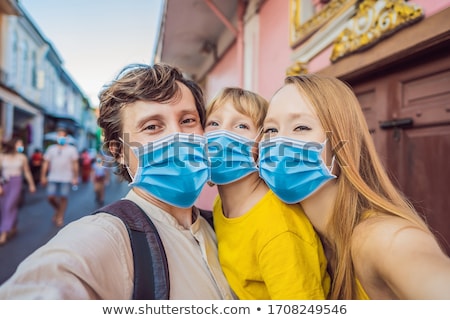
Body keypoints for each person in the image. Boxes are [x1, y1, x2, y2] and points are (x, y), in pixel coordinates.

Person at [0, 63, 234, 300]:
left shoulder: (221, 226)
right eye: (152, 126)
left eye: (187, 120)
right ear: (118, 151)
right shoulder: (109, 237)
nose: (178, 135)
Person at [260, 73, 450, 299]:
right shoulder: (293, 236)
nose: (279, 142)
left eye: (301, 127)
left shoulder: (386, 239)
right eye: (270, 130)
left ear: (342, 143)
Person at [205, 87, 330, 299]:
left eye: (241, 125)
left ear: (262, 143)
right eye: (214, 123)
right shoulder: (221, 204)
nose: (221, 133)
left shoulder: (278, 228)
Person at [40, 127, 79, 227]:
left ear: (67, 138)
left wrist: (75, 177)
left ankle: (60, 216)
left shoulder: (72, 149)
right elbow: (45, 163)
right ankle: (58, 209)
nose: (61, 138)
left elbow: (75, 164)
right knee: (50, 197)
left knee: (63, 197)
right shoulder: (51, 149)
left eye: (63, 136)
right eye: (59, 136)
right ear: (56, 137)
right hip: (53, 177)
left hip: (66, 178)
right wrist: (43, 176)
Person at [0, 138, 36, 245]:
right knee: (4, 206)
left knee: (9, 205)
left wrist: (31, 185)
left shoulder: (22, 157)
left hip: (17, 182)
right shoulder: (2, 156)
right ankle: (13, 225)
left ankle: (3, 233)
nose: (21, 146)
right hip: (4, 182)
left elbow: (27, 172)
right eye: (19, 144)